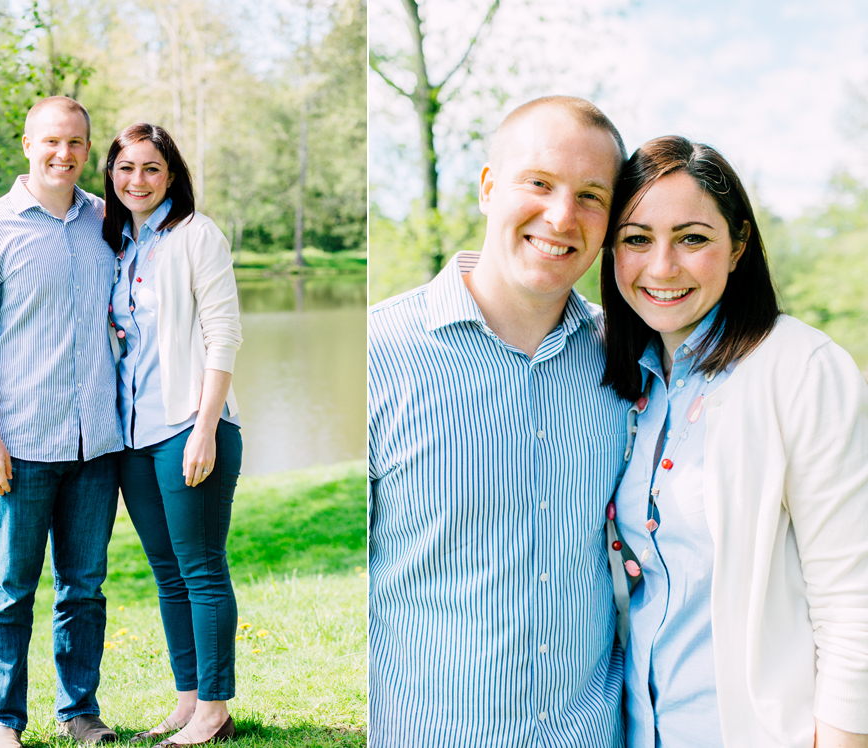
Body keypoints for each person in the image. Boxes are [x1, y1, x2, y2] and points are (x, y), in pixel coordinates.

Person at [368, 96, 630, 746]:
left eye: (591, 196)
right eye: (538, 183)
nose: (562, 215)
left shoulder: (629, 365)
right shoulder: (378, 355)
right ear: (489, 188)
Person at [601, 135, 868, 748]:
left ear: (739, 244)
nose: (662, 266)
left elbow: (852, 603)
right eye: (637, 238)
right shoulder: (620, 379)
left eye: (692, 238)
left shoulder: (800, 368)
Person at [0, 96, 124, 748]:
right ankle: (1, 722)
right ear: (27, 143)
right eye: (52, 141)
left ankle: (80, 712)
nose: (65, 154)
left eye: (77, 142)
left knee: (84, 588)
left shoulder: (107, 224)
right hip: (19, 445)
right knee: (9, 590)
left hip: (96, 445)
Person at [102, 123, 243, 747]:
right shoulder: (116, 242)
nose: (138, 180)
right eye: (126, 167)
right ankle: (188, 701)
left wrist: (206, 429)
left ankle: (215, 710)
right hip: (134, 436)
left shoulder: (196, 236)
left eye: (151, 169)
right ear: (111, 173)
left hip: (189, 427)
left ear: (172, 176)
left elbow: (223, 335)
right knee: (168, 573)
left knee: (202, 569)